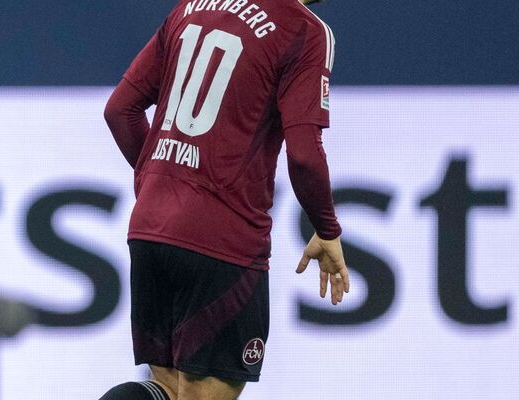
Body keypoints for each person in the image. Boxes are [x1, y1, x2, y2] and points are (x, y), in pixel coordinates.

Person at [99, 0, 346, 399]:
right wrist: (327, 228)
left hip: (149, 229)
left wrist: (162, 183)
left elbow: (119, 110)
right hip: (221, 242)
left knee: (164, 390)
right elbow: (304, 154)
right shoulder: (304, 30)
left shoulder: (190, 8)